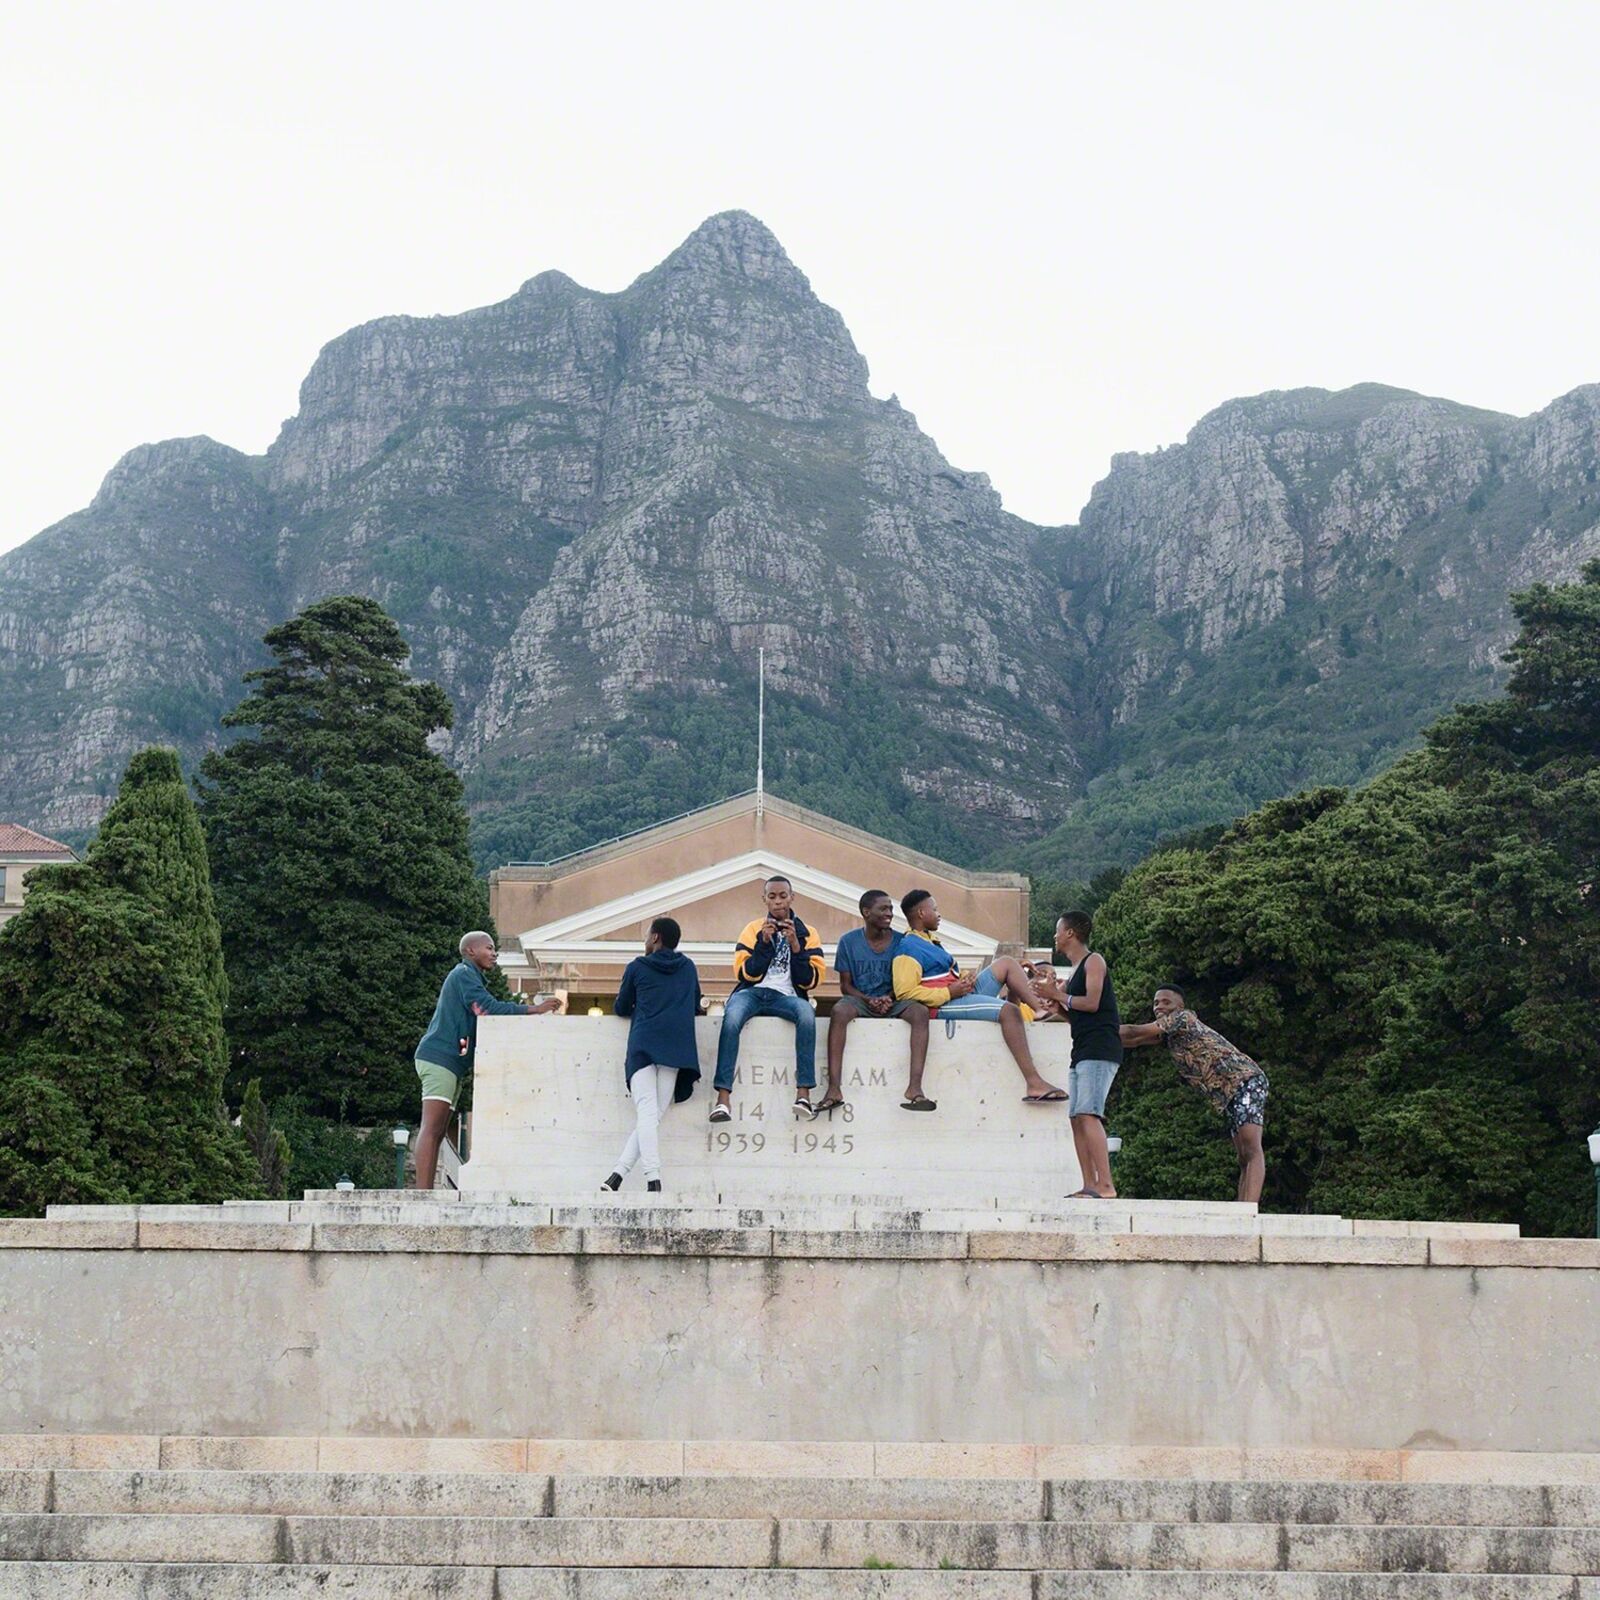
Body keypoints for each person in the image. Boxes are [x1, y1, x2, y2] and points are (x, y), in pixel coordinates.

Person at [413, 931, 558, 1189]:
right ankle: (422, 1195)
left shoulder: (472, 978)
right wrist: (533, 1009)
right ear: (470, 951)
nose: (494, 954)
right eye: (489, 948)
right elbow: (487, 1008)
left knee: (439, 1130)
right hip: (439, 1058)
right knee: (432, 1126)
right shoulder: (464, 975)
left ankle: (426, 1193)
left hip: (451, 1063)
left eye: (495, 950)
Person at [891, 889, 1066, 1103]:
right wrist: (949, 991)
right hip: (942, 1005)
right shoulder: (908, 948)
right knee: (1009, 1011)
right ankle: (1034, 1083)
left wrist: (967, 979)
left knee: (1007, 964)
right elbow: (905, 992)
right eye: (934, 909)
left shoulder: (930, 941)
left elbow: (946, 974)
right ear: (920, 913)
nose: (939, 914)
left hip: (958, 993)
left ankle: (1040, 1010)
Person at [1119, 986, 1270, 1203]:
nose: (1159, 1007)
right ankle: (1242, 1207)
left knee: (1251, 1147)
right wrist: (1079, 1023)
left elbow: (1134, 1032)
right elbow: (1132, 1041)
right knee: (1242, 1155)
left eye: (1165, 1002)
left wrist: (1097, 1026)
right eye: (1156, 1003)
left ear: (1179, 1006)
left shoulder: (1182, 1018)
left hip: (1245, 1080)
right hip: (1228, 1093)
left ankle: (1249, 1208)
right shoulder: (1169, 1035)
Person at [712, 875, 826, 1121]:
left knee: (806, 1013)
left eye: (783, 896)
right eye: (772, 897)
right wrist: (764, 943)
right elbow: (745, 973)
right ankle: (722, 1098)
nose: (778, 902)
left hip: (786, 996)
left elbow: (811, 981)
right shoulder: (752, 929)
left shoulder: (809, 933)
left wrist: (796, 945)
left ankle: (803, 1094)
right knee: (731, 1016)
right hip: (751, 993)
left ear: (792, 897)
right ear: (764, 900)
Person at [602, 916, 702, 1193]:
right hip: (675, 1048)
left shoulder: (637, 967)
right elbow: (696, 1004)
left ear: (656, 937)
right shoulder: (688, 968)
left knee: (647, 1112)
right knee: (653, 1114)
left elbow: (621, 1007)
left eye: (648, 934)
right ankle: (617, 1175)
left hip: (643, 1044)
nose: (645, 939)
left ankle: (652, 1178)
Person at [1037, 911, 1122, 1198]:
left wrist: (1059, 995)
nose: (1055, 936)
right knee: (1076, 1117)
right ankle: (1090, 1184)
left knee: (1089, 1113)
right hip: (1082, 1046)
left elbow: (1093, 1003)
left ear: (1070, 933)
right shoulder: (1074, 972)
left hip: (1100, 1048)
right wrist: (1056, 1007)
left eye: (1058, 930)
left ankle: (1106, 1185)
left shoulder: (1094, 961)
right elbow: (1079, 1015)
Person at [827, 889, 933, 1112]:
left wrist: (889, 997)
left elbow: (907, 979)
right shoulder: (848, 942)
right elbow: (845, 986)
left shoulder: (902, 941)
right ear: (866, 912)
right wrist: (868, 1000)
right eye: (883, 909)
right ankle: (834, 1088)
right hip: (860, 1000)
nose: (889, 914)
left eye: (891, 909)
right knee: (839, 1012)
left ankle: (915, 1088)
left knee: (919, 1012)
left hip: (893, 1000)